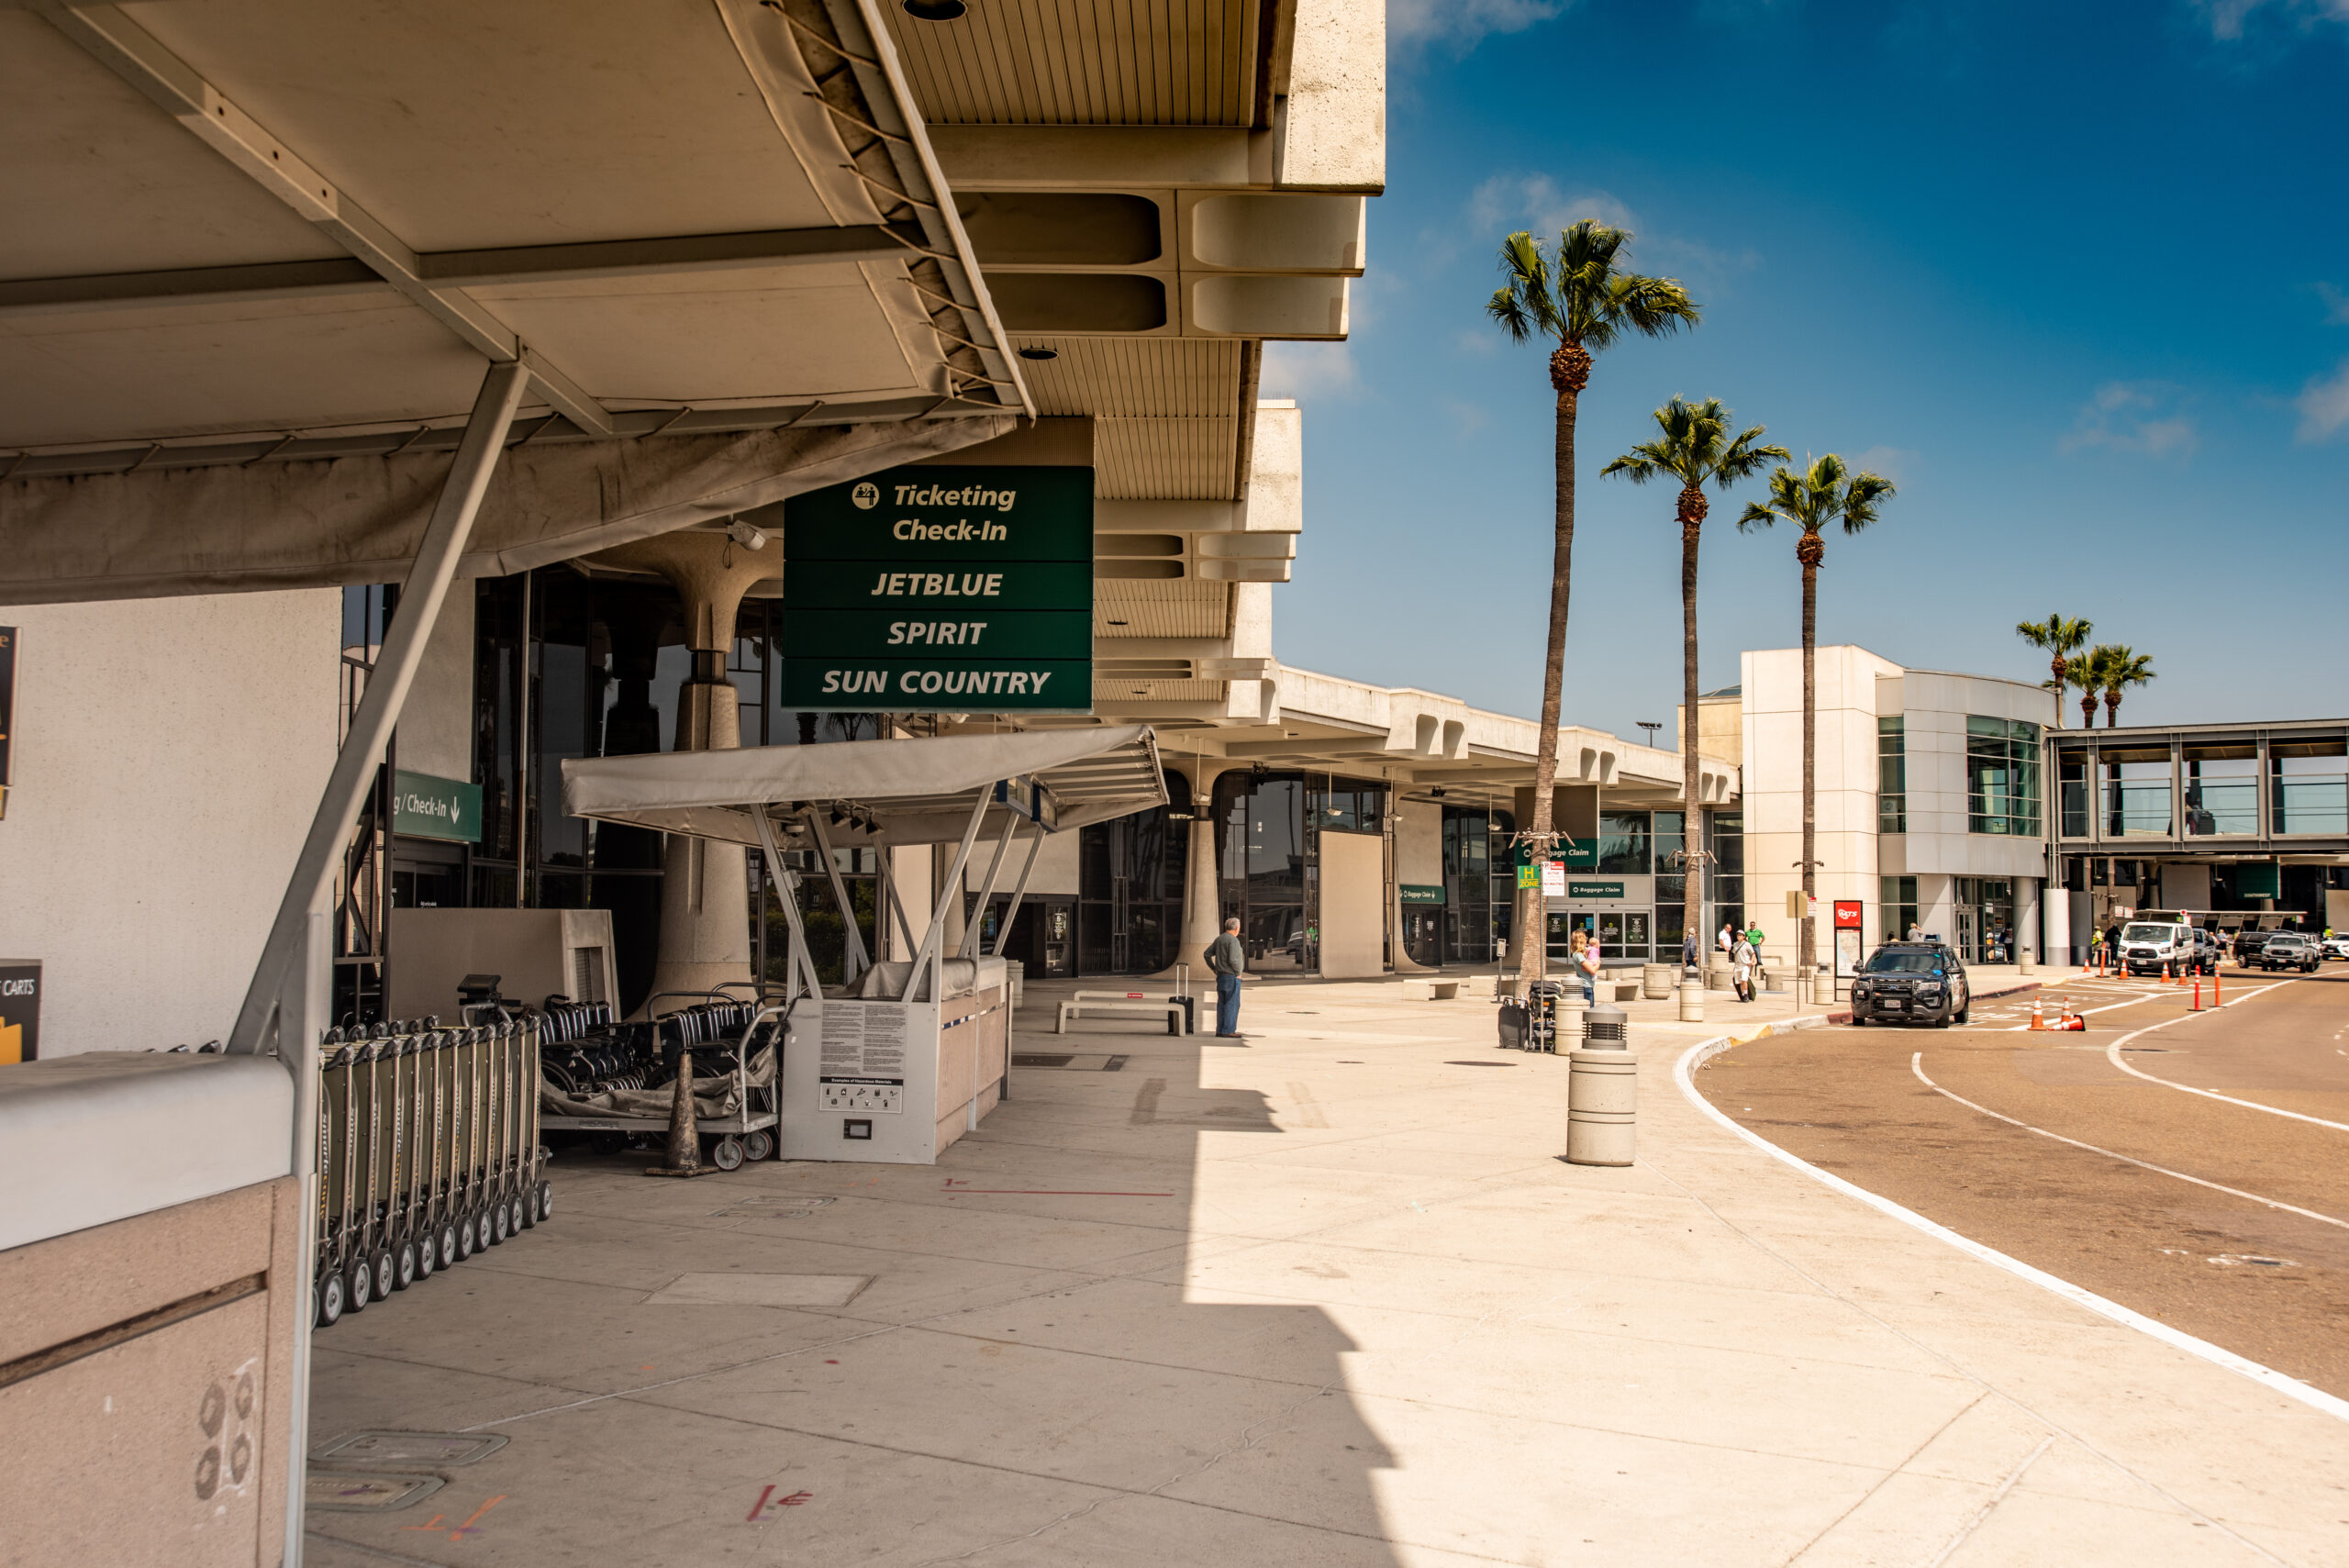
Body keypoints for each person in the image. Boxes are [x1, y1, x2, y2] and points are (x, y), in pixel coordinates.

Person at [1207, 916, 1247, 1038]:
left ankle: (1220, 1029)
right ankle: (1228, 1030)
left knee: (1222, 1003)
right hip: (1231, 976)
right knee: (1232, 1003)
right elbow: (1233, 959)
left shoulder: (1219, 939)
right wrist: (1238, 972)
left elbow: (1206, 954)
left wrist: (1214, 968)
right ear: (1237, 928)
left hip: (1221, 977)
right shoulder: (1233, 941)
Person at [1731, 929, 1757, 1003]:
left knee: (1744, 980)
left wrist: (1751, 961)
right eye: (1738, 935)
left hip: (1745, 965)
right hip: (1738, 965)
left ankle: (1746, 995)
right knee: (1739, 982)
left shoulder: (1747, 944)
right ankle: (1742, 994)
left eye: (1740, 935)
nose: (1738, 936)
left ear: (1743, 936)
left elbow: (1753, 953)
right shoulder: (1735, 944)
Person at [1577, 927, 1601, 1004]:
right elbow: (1591, 969)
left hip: (1588, 984)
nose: (1586, 941)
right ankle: (1594, 976)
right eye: (1585, 939)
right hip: (1586, 985)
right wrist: (1598, 963)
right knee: (1590, 1009)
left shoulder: (1584, 951)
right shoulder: (1579, 954)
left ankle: (1593, 976)